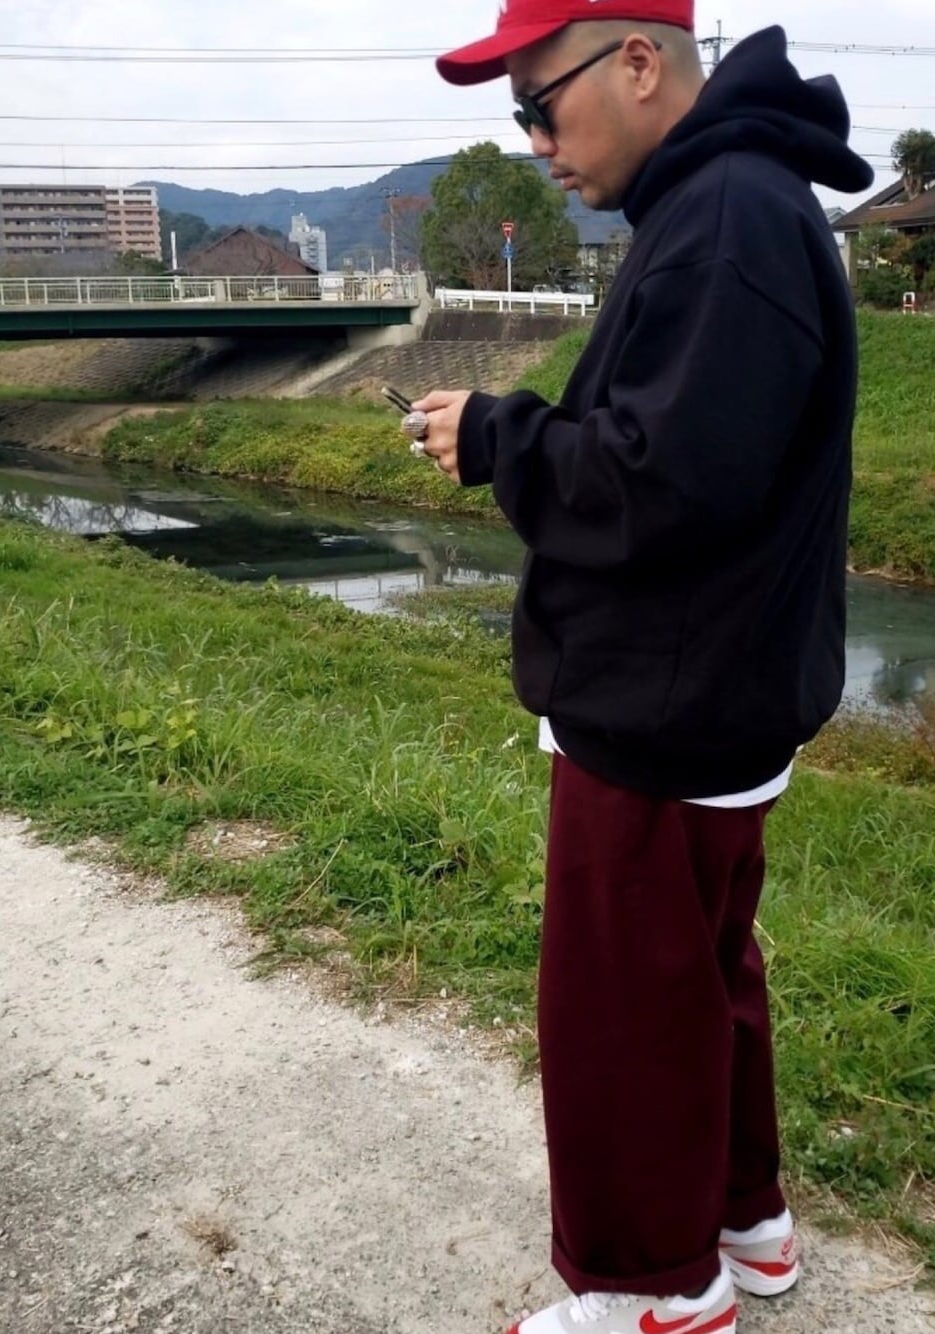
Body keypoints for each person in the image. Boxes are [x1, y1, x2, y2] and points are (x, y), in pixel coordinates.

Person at [412, 5, 874, 1333]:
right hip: (718, 689)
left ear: (636, 63)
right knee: (698, 976)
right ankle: (744, 1223)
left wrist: (499, 435)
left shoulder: (725, 220)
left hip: (666, 702)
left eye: (537, 104)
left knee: (623, 1005)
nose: (534, 141)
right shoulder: (737, 200)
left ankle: (656, 1287)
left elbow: (659, 482)